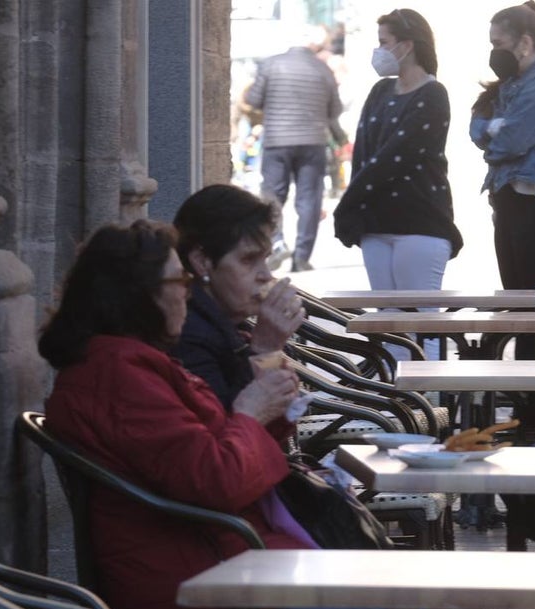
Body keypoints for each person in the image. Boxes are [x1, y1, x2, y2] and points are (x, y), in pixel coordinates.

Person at [37, 219, 405, 609]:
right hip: (192, 575)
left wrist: (265, 410)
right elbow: (214, 480)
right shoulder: (119, 375)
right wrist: (251, 412)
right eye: (178, 282)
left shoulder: (128, 364)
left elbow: (220, 455)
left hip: (215, 555)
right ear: (138, 296)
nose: (188, 291)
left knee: (398, 595)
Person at [332, 8, 464, 361]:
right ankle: (395, 408)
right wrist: (356, 210)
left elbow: (395, 157)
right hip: (377, 224)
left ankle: (431, 406)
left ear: (406, 45)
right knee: (387, 325)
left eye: (384, 43)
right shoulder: (380, 91)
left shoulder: (434, 94)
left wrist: (347, 204)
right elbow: (364, 152)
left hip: (419, 223)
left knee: (423, 325)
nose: (379, 51)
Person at [469, 2, 535, 361]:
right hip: (508, 202)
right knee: (519, 310)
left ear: (524, 42)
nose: (494, 51)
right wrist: (496, 131)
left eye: (499, 42)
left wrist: (495, 135)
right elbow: (475, 128)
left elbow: (513, 141)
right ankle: (527, 400)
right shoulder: (512, 82)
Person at [171, 184, 306, 409]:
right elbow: (225, 430)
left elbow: (276, 418)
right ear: (202, 262)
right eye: (248, 260)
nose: (265, 275)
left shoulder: (229, 322)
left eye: (265, 259)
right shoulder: (188, 334)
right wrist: (264, 348)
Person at [244, 25, 347, 272]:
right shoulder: (323, 70)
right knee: (309, 198)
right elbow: (335, 111)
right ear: (314, 47)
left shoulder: (270, 65)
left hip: (277, 141)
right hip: (313, 142)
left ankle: (276, 242)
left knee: (272, 195)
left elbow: (253, 100)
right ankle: (301, 257)